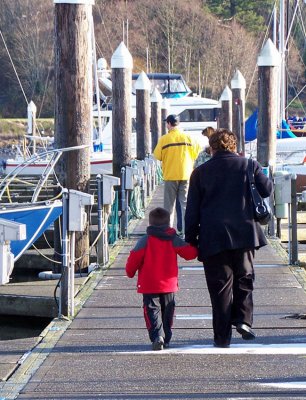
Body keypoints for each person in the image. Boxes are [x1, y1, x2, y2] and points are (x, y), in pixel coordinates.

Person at [185, 128, 273, 348]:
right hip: (245, 233)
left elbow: (192, 210)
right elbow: (267, 189)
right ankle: (244, 320)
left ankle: (222, 337)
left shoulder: (200, 172)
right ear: (234, 146)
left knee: (220, 287)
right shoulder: (248, 166)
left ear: (212, 147)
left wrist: (191, 239)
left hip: (213, 235)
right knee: (245, 278)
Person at [125, 207, 198, 350]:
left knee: (151, 310)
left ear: (150, 224)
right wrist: (197, 247)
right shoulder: (173, 239)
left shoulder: (145, 240)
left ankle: (157, 336)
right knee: (168, 311)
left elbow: (134, 259)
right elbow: (189, 253)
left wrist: (130, 272)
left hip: (149, 284)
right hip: (169, 285)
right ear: (168, 223)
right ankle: (167, 337)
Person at [153, 114, 200, 233]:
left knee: (169, 207)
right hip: (186, 174)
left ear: (169, 124)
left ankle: (168, 233)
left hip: (170, 175)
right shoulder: (188, 138)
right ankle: (186, 232)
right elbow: (196, 152)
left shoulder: (164, 139)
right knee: (185, 205)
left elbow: (157, 156)